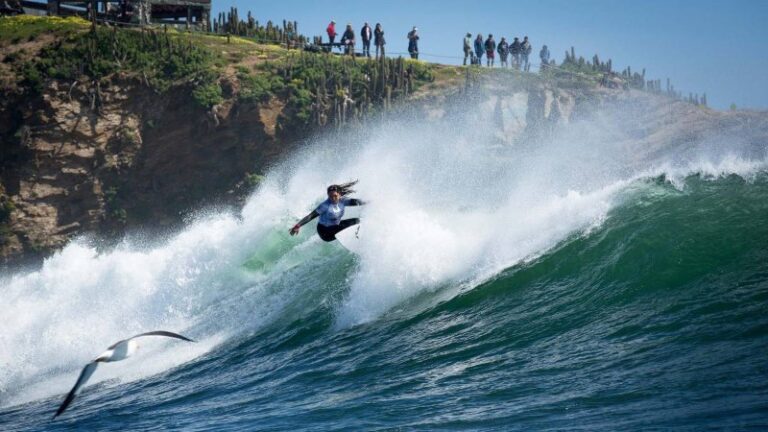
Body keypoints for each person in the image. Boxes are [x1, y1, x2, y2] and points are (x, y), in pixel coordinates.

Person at [289, 181, 365, 242]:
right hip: (325, 232)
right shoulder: (325, 206)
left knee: (356, 215)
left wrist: (372, 203)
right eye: (330, 196)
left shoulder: (344, 201)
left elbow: (358, 202)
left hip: (334, 227)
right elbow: (310, 216)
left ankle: (355, 237)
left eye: (335, 196)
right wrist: (297, 226)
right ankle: (356, 238)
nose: (333, 198)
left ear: (340, 194)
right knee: (355, 221)